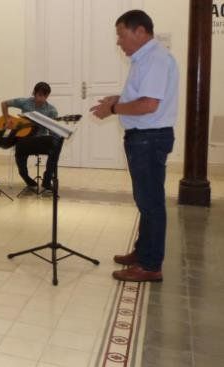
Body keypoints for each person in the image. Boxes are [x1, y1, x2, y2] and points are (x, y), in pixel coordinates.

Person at [90, 9, 177, 282]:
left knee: (151, 203)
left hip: (149, 139)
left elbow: (149, 104)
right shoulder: (145, 59)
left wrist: (114, 108)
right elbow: (141, 97)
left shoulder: (155, 59)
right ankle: (143, 253)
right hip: (145, 139)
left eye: (121, 34)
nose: (118, 41)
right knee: (146, 201)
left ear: (140, 32)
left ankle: (150, 265)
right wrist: (119, 97)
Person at [1, 82, 60, 189]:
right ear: (34, 93)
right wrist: (7, 119)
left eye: (45, 96)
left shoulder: (51, 110)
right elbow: (4, 104)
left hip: (40, 140)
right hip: (24, 140)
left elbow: (52, 133)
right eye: (40, 95)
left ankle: (47, 180)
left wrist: (53, 130)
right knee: (19, 145)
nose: (42, 98)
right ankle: (26, 177)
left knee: (56, 144)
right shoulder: (25, 102)